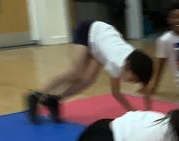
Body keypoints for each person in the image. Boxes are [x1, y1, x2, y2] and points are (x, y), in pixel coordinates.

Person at [26, 20, 154, 124]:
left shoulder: (134, 59)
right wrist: (134, 113)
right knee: (75, 72)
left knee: (88, 80)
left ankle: (54, 99)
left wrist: (148, 113)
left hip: (102, 43)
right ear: (128, 67)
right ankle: (35, 96)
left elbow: (145, 86)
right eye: (132, 79)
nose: (132, 82)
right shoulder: (116, 62)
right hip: (89, 31)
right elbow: (116, 93)